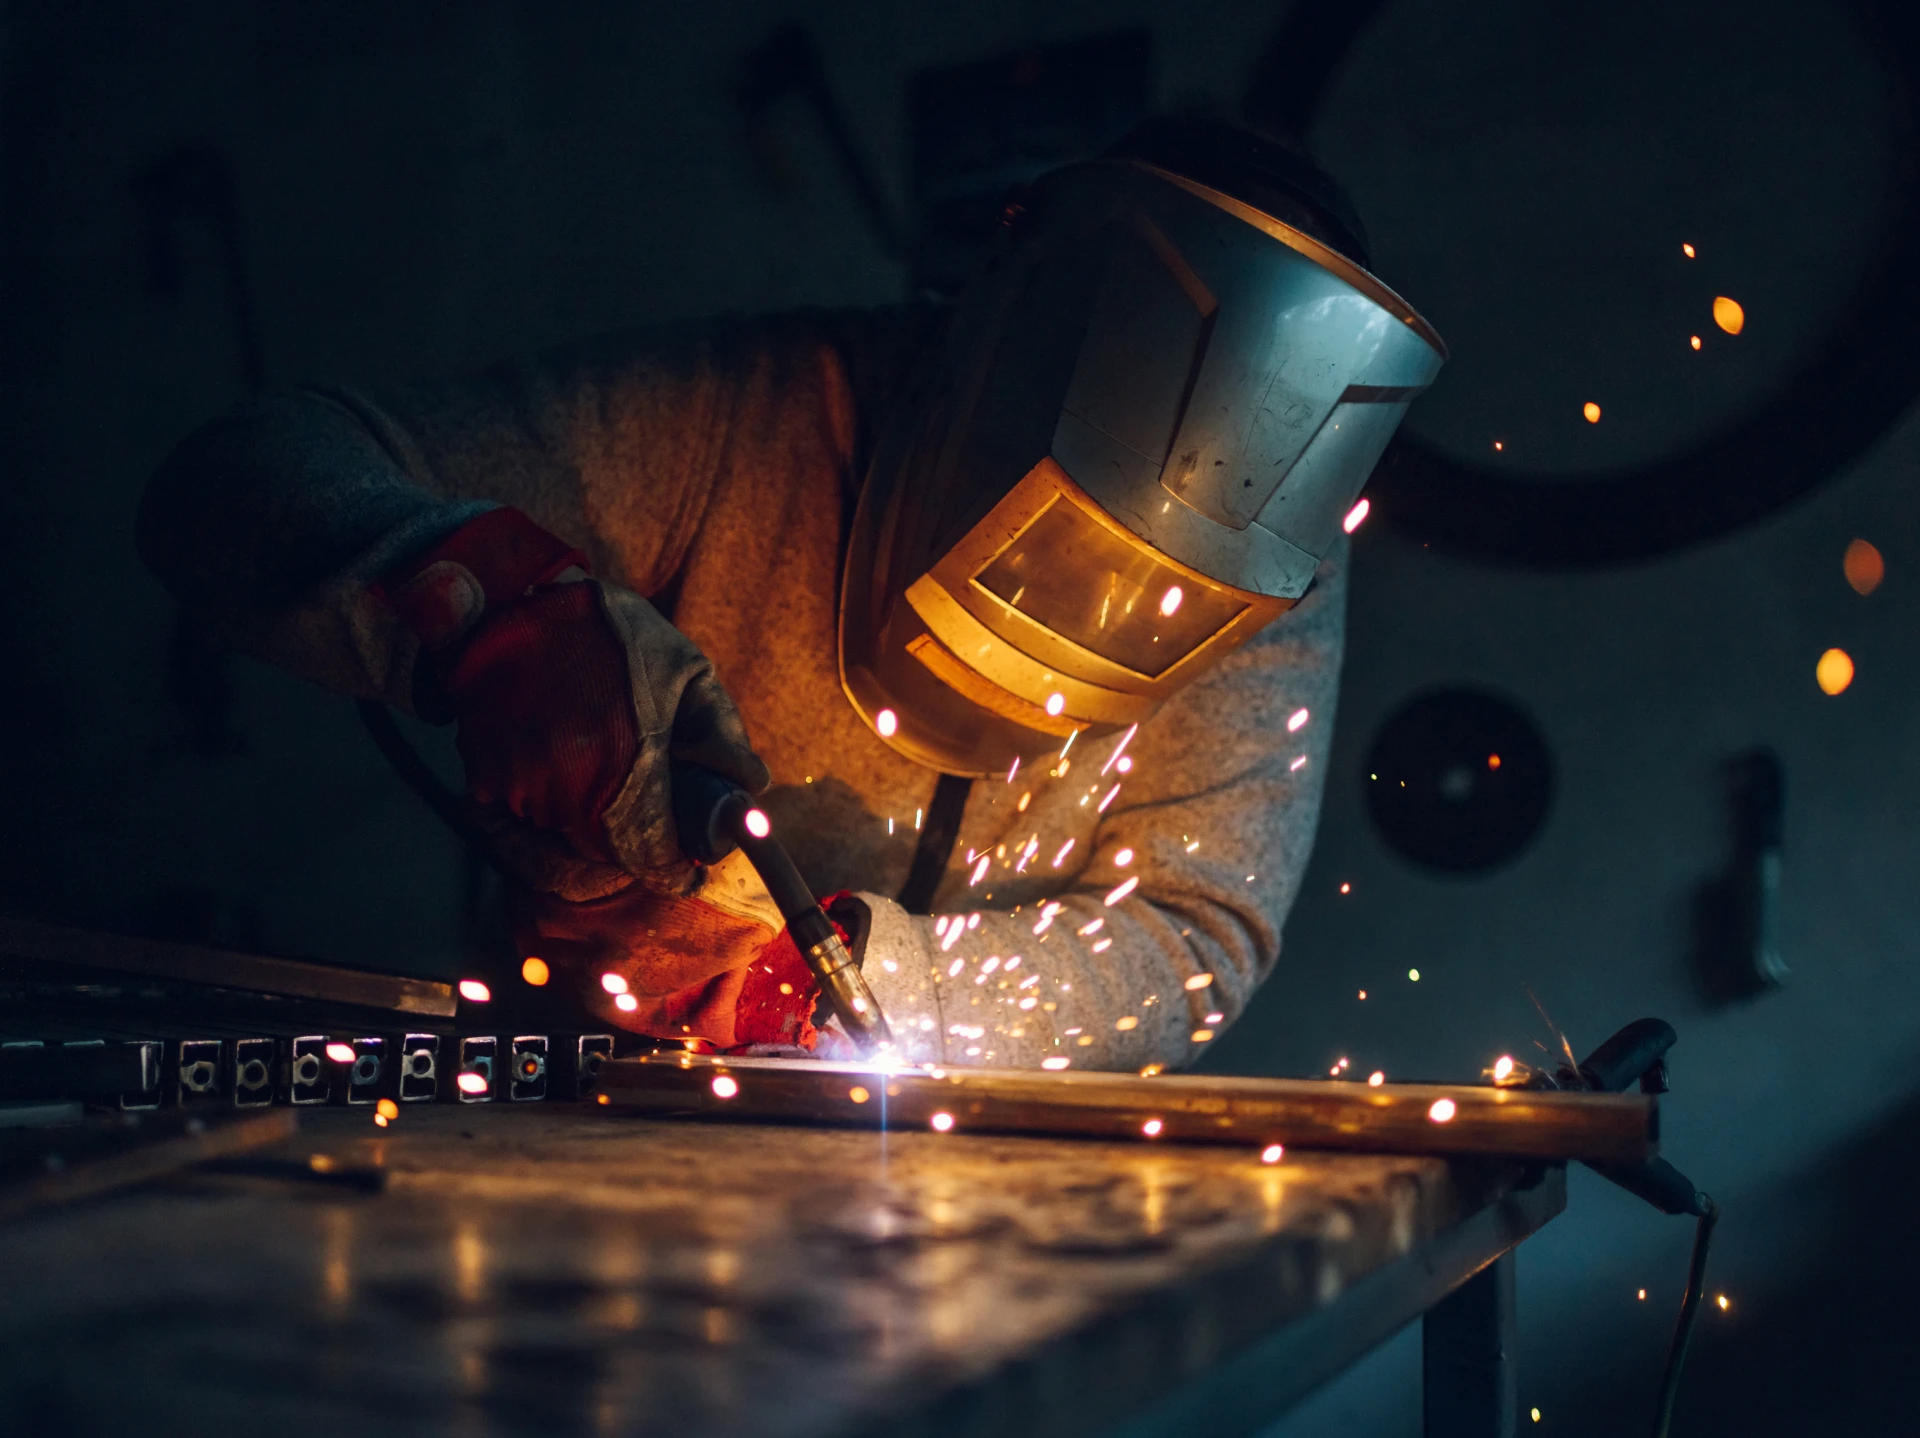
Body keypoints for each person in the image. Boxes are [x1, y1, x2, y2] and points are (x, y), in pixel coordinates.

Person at [137, 118, 1444, 1070]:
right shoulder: (747, 414)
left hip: (981, 1201)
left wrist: (839, 989)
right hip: (586, 1115)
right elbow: (240, 475)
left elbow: (1198, 933)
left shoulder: (1274, 560)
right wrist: (494, 613)